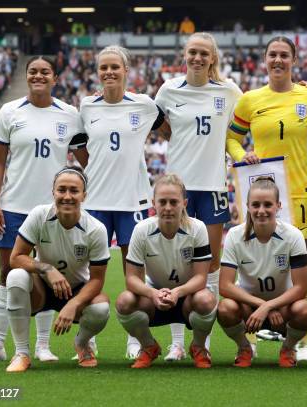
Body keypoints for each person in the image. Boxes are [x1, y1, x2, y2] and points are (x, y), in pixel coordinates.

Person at [0, 56, 87, 364]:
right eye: (32, 71)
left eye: (44, 71)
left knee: (48, 274)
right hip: (14, 206)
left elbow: (87, 159)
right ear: (27, 76)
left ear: (55, 78)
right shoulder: (9, 111)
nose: (38, 75)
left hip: (54, 210)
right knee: (7, 273)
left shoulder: (70, 114)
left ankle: (43, 346)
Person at [226, 36, 307, 361]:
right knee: (254, 261)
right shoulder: (250, 100)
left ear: (294, 60)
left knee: (304, 267)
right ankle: (250, 337)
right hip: (261, 197)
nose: (278, 60)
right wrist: (244, 156)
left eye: (284, 55)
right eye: (273, 55)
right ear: (265, 59)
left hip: (298, 193)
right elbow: (231, 138)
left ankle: (301, 342)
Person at [154, 32, 242, 361]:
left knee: (213, 263)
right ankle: (178, 342)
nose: (197, 58)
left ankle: (203, 340)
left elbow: (250, 116)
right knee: (177, 265)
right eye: (192, 52)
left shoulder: (229, 91)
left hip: (215, 186)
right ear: (184, 55)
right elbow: (161, 126)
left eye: (204, 53)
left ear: (213, 58)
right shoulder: (168, 90)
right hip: (179, 190)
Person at [78, 45, 170, 359]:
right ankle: (88, 338)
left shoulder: (144, 104)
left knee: (135, 272)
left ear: (126, 70)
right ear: (98, 72)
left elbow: (172, 131)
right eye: (103, 67)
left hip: (132, 200)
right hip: (96, 201)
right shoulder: (87, 106)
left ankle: (136, 335)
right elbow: (81, 147)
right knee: (88, 275)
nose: (109, 72)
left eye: (114, 67)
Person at [5, 166, 111, 372]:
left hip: (76, 290)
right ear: (53, 192)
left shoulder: (96, 229)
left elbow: (97, 280)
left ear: (84, 195)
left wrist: (74, 303)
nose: (67, 196)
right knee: (16, 277)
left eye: (74, 190)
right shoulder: (39, 215)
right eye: (61, 190)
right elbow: (16, 258)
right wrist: (46, 268)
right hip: (42, 290)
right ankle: (21, 354)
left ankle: (82, 343)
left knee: (101, 308)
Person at [115, 174, 217, 369]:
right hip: (155, 299)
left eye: (174, 202)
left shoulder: (198, 229)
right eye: (162, 202)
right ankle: (149, 346)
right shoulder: (141, 230)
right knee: (124, 301)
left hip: (188, 298)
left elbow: (201, 278)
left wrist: (177, 292)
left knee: (206, 300)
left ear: (184, 203)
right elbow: (131, 279)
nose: (168, 207)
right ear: (154, 203)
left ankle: (198, 346)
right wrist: (153, 294)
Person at [217, 177, 307, 368]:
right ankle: (244, 348)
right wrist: (262, 305)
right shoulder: (235, 235)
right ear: (248, 206)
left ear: (278, 206)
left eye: (268, 205)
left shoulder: (293, 235)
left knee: (306, 309)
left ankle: (288, 348)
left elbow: (301, 288)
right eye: (256, 205)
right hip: (248, 308)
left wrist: (270, 306)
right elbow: (224, 286)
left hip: (283, 308)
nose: (261, 211)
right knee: (225, 308)